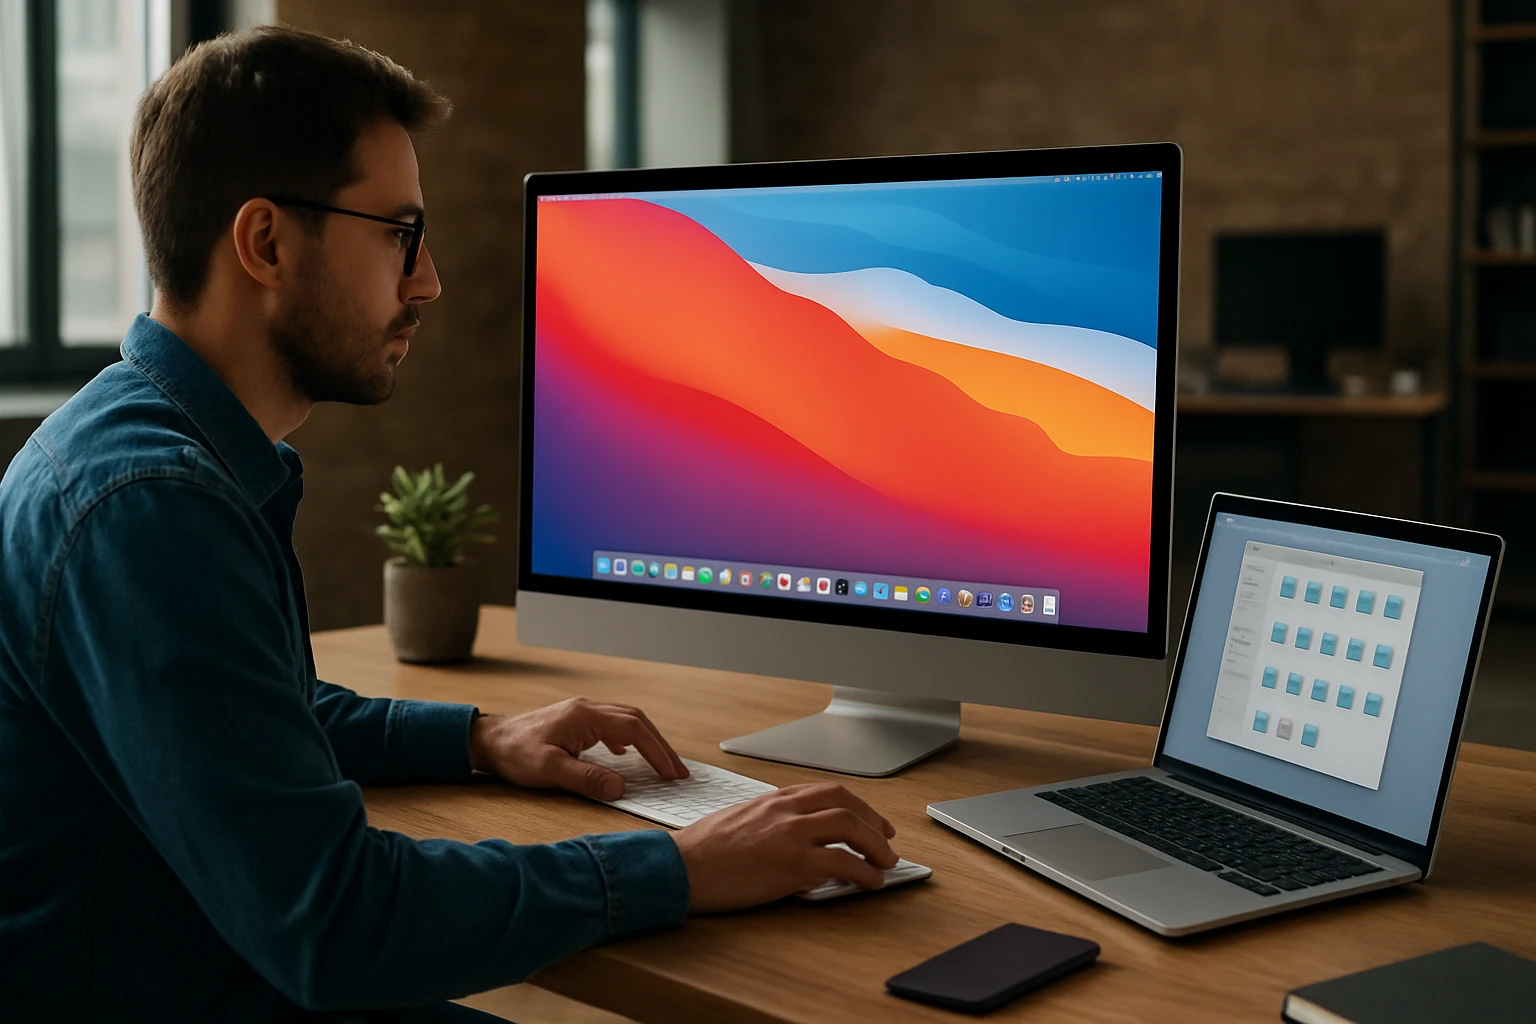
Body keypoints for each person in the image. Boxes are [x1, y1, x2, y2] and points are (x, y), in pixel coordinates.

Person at [0, 25, 900, 1022]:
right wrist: (677, 863)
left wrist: (481, 739)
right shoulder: (150, 507)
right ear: (264, 243)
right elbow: (335, 923)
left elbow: (253, 720)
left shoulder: (138, 446)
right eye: (400, 233)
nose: (427, 280)